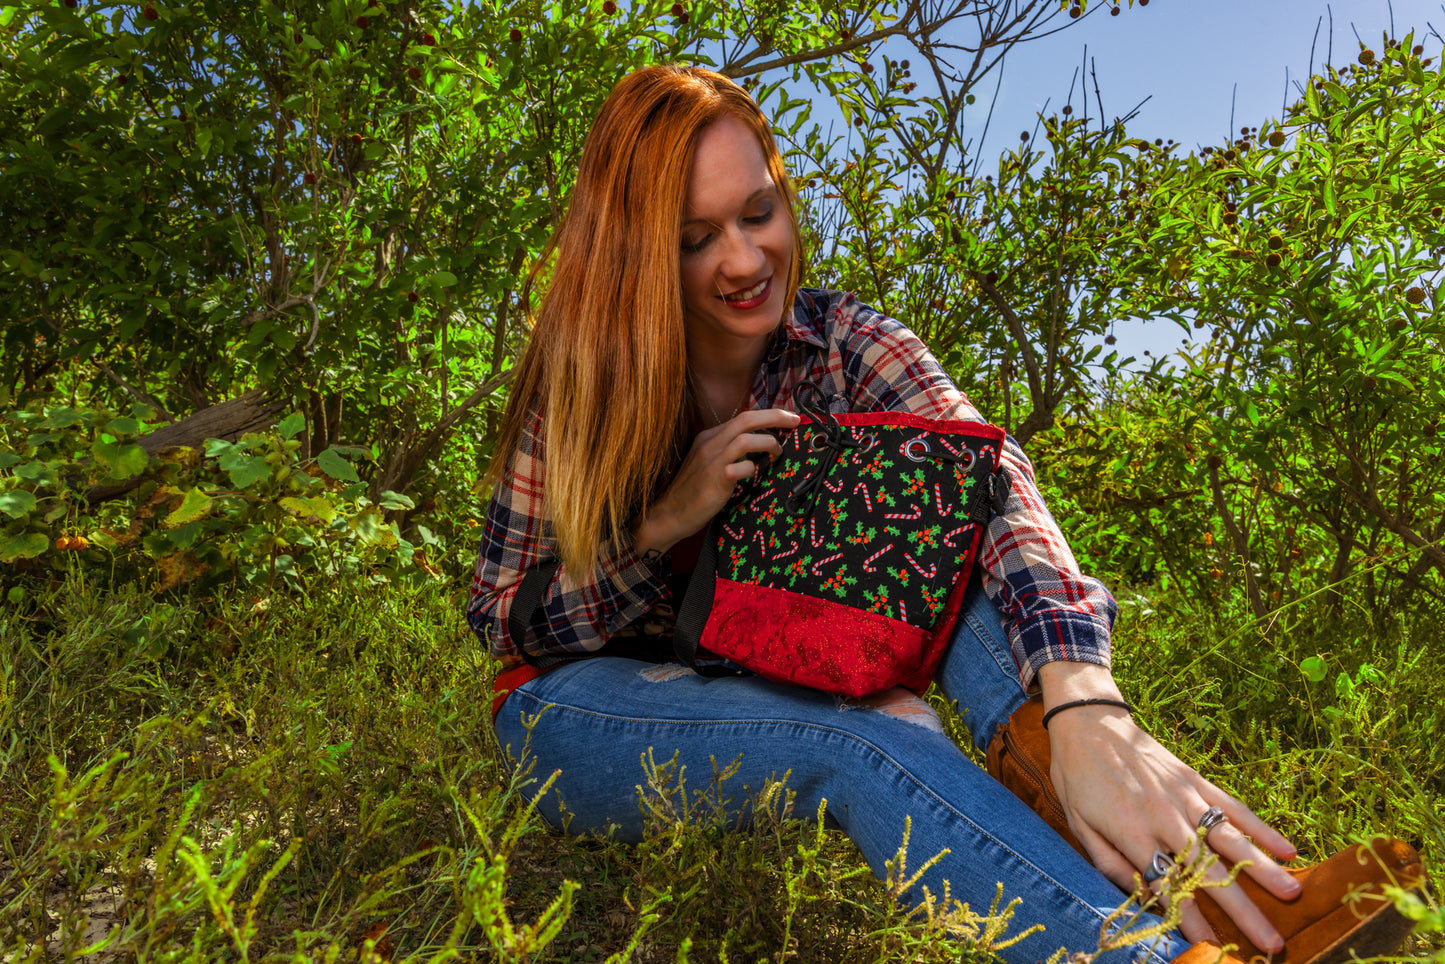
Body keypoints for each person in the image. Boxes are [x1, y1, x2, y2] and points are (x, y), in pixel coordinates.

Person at [468, 65, 1424, 964]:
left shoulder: (845, 346)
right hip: (590, 711)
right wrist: (661, 525)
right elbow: (505, 622)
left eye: (759, 212)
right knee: (864, 739)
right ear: (637, 252)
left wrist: (1084, 699)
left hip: (782, 654)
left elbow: (992, 482)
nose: (742, 258)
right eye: (693, 238)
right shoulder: (585, 388)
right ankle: (1149, 955)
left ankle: (1224, 902)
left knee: (971, 582)